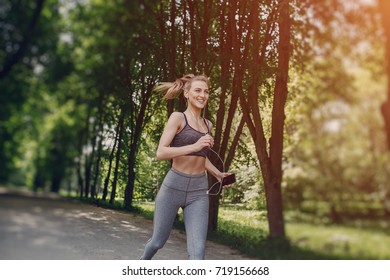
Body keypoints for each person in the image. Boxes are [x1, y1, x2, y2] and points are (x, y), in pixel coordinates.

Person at [140, 74, 229, 260]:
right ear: (187, 93)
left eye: (206, 91)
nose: (202, 95)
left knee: (197, 254)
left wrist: (218, 173)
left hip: (198, 190)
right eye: (197, 90)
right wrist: (195, 146)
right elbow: (161, 153)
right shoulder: (178, 117)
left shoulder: (207, 125)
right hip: (174, 186)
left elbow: (201, 157)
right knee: (157, 242)